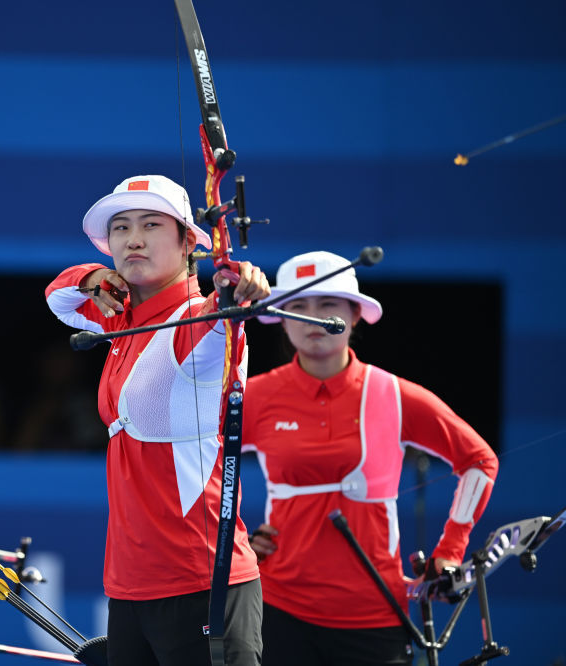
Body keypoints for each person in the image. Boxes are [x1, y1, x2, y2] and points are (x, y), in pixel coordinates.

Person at [45, 175, 270, 666]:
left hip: (201, 581)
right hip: (129, 588)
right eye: (121, 228)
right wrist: (91, 277)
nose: (134, 239)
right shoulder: (121, 320)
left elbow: (226, 310)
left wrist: (236, 286)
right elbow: (57, 297)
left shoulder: (198, 322)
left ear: (189, 242)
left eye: (151, 225)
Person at [241, 251, 499, 666]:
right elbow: (195, 466)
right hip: (278, 610)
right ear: (282, 319)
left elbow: (479, 461)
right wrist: (235, 540)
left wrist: (451, 549)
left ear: (355, 314)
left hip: (375, 611)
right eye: (298, 305)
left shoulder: (393, 394)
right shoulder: (255, 395)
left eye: (327, 303)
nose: (312, 317)